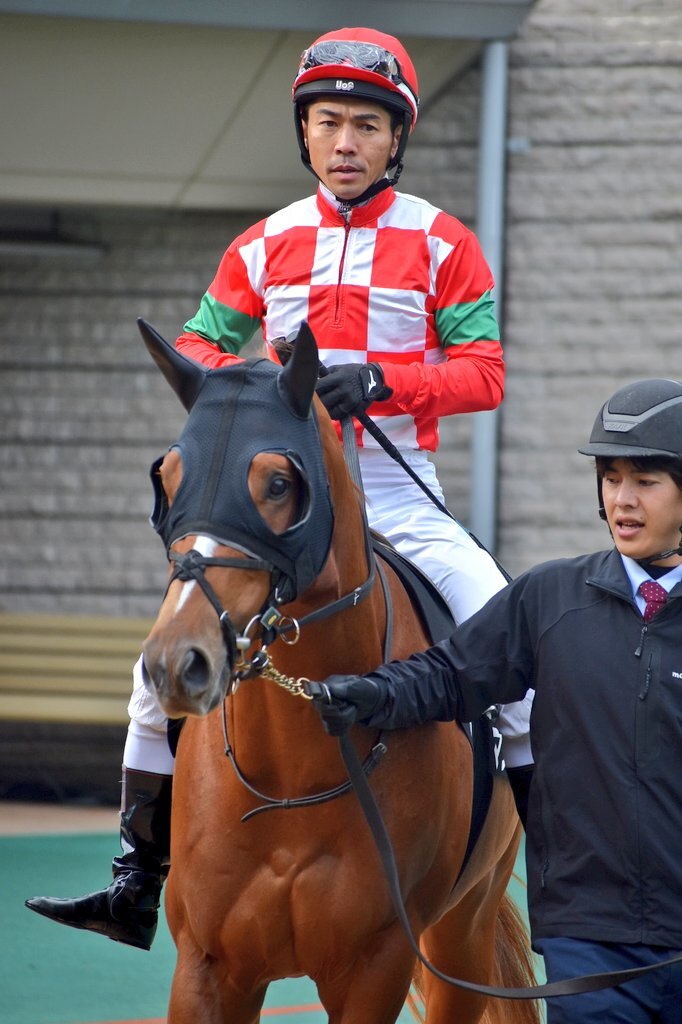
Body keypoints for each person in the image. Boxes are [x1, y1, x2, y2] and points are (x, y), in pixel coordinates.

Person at [26, 26, 532, 950]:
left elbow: (486, 373)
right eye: (328, 122)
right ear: (304, 132)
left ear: (396, 138)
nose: (346, 142)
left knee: (516, 654)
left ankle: (560, 878)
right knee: (151, 679)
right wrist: (263, 385)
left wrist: (381, 382)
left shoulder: (443, 241)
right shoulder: (263, 243)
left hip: (399, 500)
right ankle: (136, 879)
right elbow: (198, 347)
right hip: (281, 508)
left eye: (367, 125)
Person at [311, 377, 682, 1024]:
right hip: (588, 941)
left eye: (645, 482)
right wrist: (369, 694)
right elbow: (450, 675)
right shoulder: (548, 599)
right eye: (611, 478)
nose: (622, 499)